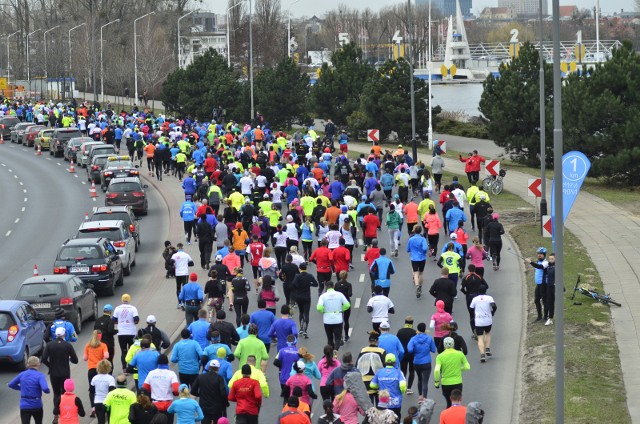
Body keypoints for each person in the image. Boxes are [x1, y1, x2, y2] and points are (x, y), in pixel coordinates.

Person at [41, 326, 78, 423]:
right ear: (64, 334)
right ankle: (64, 414)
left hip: (54, 373)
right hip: (65, 373)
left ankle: (56, 415)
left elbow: (43, 359)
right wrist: (68, 359)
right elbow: (76, 360)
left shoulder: (49, 345)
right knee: (64, 394)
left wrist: (50, 365)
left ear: (55, 335)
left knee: (56, 394)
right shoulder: (67, 345)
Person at [8, 356, 50, 424]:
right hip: (36, 404)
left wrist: (21, 388)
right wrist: (48, 391)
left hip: (24, 405)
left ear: (28, 364)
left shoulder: (22, 374)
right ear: (38, 364)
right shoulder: (40, 375)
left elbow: (11, 384)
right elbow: (45, 388)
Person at [434, 337, 471, 409]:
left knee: (449, 402)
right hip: (457, 382)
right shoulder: (460, 354)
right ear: (453, 344)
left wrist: (436, 382)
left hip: (446, 383)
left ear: (444, 345)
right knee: (457, 402)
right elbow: (467, 367)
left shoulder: (440, 356)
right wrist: (459, 369)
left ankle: (448, 416)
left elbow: (437, 370)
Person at [191, 359, 229, 424]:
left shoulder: (201, 377)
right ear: (218, 368)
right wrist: (226, 402)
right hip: (216, 407)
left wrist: (200, 394)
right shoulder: (219, 378)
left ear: (209, 367)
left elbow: (193, 391)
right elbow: (223, 393)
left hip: (204, 406)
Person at [317, 280, 351, 350]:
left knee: (330, 339)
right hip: (337, 319)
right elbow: (347, 305)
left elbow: (319, 307)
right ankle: (336, 351)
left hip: (327, 320)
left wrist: (325, 311)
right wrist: (341, 309)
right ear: (333, 286)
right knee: (338, 339)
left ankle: (331, 353)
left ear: (326, 287)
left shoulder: (323, 296)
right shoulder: (340, 294)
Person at [407, 323, 437, 403]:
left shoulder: (413, 339)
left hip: (416, 362)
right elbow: (433, 349)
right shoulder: (429, 338)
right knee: (425, 381)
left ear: (417, 329)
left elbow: (409, 350)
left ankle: (420, 396)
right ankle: (425, 398)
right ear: (425, 329)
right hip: (426, 362)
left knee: (419, 379)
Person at [469, 285, 497, 363]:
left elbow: (471, 308)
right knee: (487, 333)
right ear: (485, 291)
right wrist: (492, 313)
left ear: (478, 291)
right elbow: (494, 306)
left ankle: (482, 355)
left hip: (479, 321)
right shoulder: (489, 298)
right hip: (488, 319)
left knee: (480, 337)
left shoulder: (475, 299)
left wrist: (474, 315)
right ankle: (487, 348)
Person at [357, 331, 386, 404]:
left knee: (369, 409)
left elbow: (357, 365)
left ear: (368, 341)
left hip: (365, 381)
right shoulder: (382, 351)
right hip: (378, 381)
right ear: (377, 341)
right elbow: (385, 367)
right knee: (380, 407)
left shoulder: (363, 350)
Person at [460, 265, 488, 339]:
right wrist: (481, 291)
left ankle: (474, 331)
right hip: (478, 297)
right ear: (475, 269)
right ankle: (480, 330)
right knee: (479, 313)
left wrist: (466, 293)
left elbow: (461, 288)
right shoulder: (479, 277)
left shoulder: (466, 278)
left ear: (468, 269)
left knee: (471, 315)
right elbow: (486, 286)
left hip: (469, 297)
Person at [291, 262, 318, 338]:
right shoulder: (309, 276)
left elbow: (293, 284)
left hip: (299, 296)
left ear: (300, 269)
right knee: (306, 313)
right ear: (305, 268)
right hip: (307, 297)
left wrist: (298, 287)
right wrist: (309, 284)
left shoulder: (297, 276)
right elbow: (316, 284)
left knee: (301, 312)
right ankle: (305, 330)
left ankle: (301, 328)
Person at [83, 330, 109, 409]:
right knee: (103, 387)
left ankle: (93, 407)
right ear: (100, 336)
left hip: (91, 369)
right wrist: (102, 360)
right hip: (100, 369)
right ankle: (103, 404)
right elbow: (106, 356)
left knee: (92, 389)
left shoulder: (88, 345)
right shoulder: (103, 345)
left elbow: (85, 358)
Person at [525, 247, 549, 323]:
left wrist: (530, 262)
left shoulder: (546, 263)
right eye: (538, 254)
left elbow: (539, 267)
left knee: (545, 301)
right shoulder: (538, 262)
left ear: (544, 255)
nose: (539, 255)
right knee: (536, 300)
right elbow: (537, 266)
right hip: (538, 285)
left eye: (541, 254)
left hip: (544, 285)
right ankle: (539, 316)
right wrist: (531, 262)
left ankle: (545, 317)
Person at [395, 317, 416, 396]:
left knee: (403, 371)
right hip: (412, 354)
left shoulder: (400, 331)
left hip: (403, 354)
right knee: (411, 371)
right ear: (412, 323)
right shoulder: (414, 332)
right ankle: (409, 388)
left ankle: (402, 386)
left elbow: (397, 342)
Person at [406, 227, 428, 298]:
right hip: (422, 258)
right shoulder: (423, 239)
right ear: (420, 231)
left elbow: (407, 249)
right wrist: (424, 252)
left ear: (414, 231)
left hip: (414, 258)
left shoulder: (411, 239)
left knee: (415, 273)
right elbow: (425, 248)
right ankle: (420, 287)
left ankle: (417, 287)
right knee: (421, 273)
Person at [172, 243, 195, 308]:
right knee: (185, 288)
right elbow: (192, 263)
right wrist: (186, 264)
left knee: (178, 288)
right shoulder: (186, 255)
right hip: (185, 273)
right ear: (182, 247)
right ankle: (184, 302)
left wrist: (175, 264)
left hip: (178, 273)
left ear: (177, 248)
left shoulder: (174, 255)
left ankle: (179, 302)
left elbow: (171, 262)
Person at [334, 271, 353, 343]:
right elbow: (350, 294)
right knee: (346, 320)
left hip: (338, 304)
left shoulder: (337, 284)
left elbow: (335, 292)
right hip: (346, 304)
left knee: (339, 320)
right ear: (346, 276)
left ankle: (340, 336)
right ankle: (346, 335)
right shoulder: (348, 284)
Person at [545, 253, 556, 326]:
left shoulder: (557, 266)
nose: (550, 260)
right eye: (550, 259)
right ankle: (550, 318)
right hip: (549, 287)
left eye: (552, 259)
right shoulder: (548, 266)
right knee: (550, 303)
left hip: (555, 287)